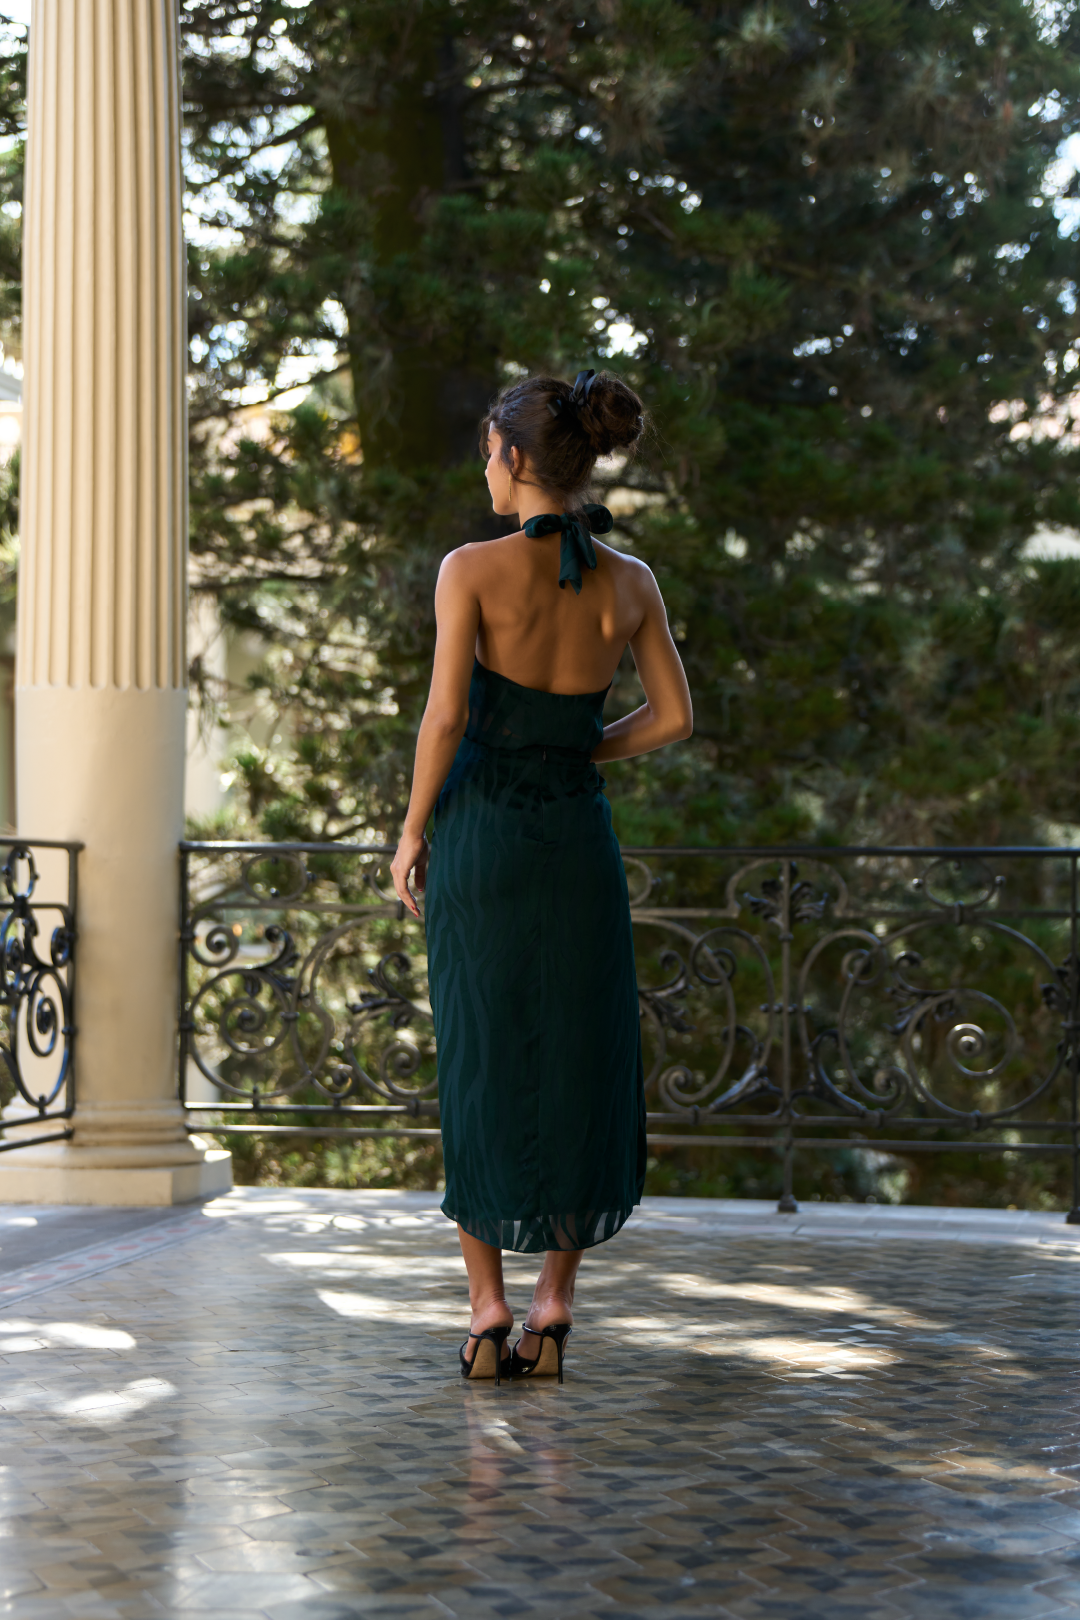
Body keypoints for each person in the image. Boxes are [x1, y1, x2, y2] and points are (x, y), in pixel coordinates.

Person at [390, 368, 693, 1384]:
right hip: (574, 839)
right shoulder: (633, 580)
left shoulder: (468, 570)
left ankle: (486, 1312)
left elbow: (442, 719)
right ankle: (554, 1307)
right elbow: (673, 719)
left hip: (482, 834)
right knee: (576, 1048)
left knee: (479, 1050)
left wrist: (411, 827)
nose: (485, 466)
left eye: (488, 450)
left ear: (517, 459)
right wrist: (575, 751)